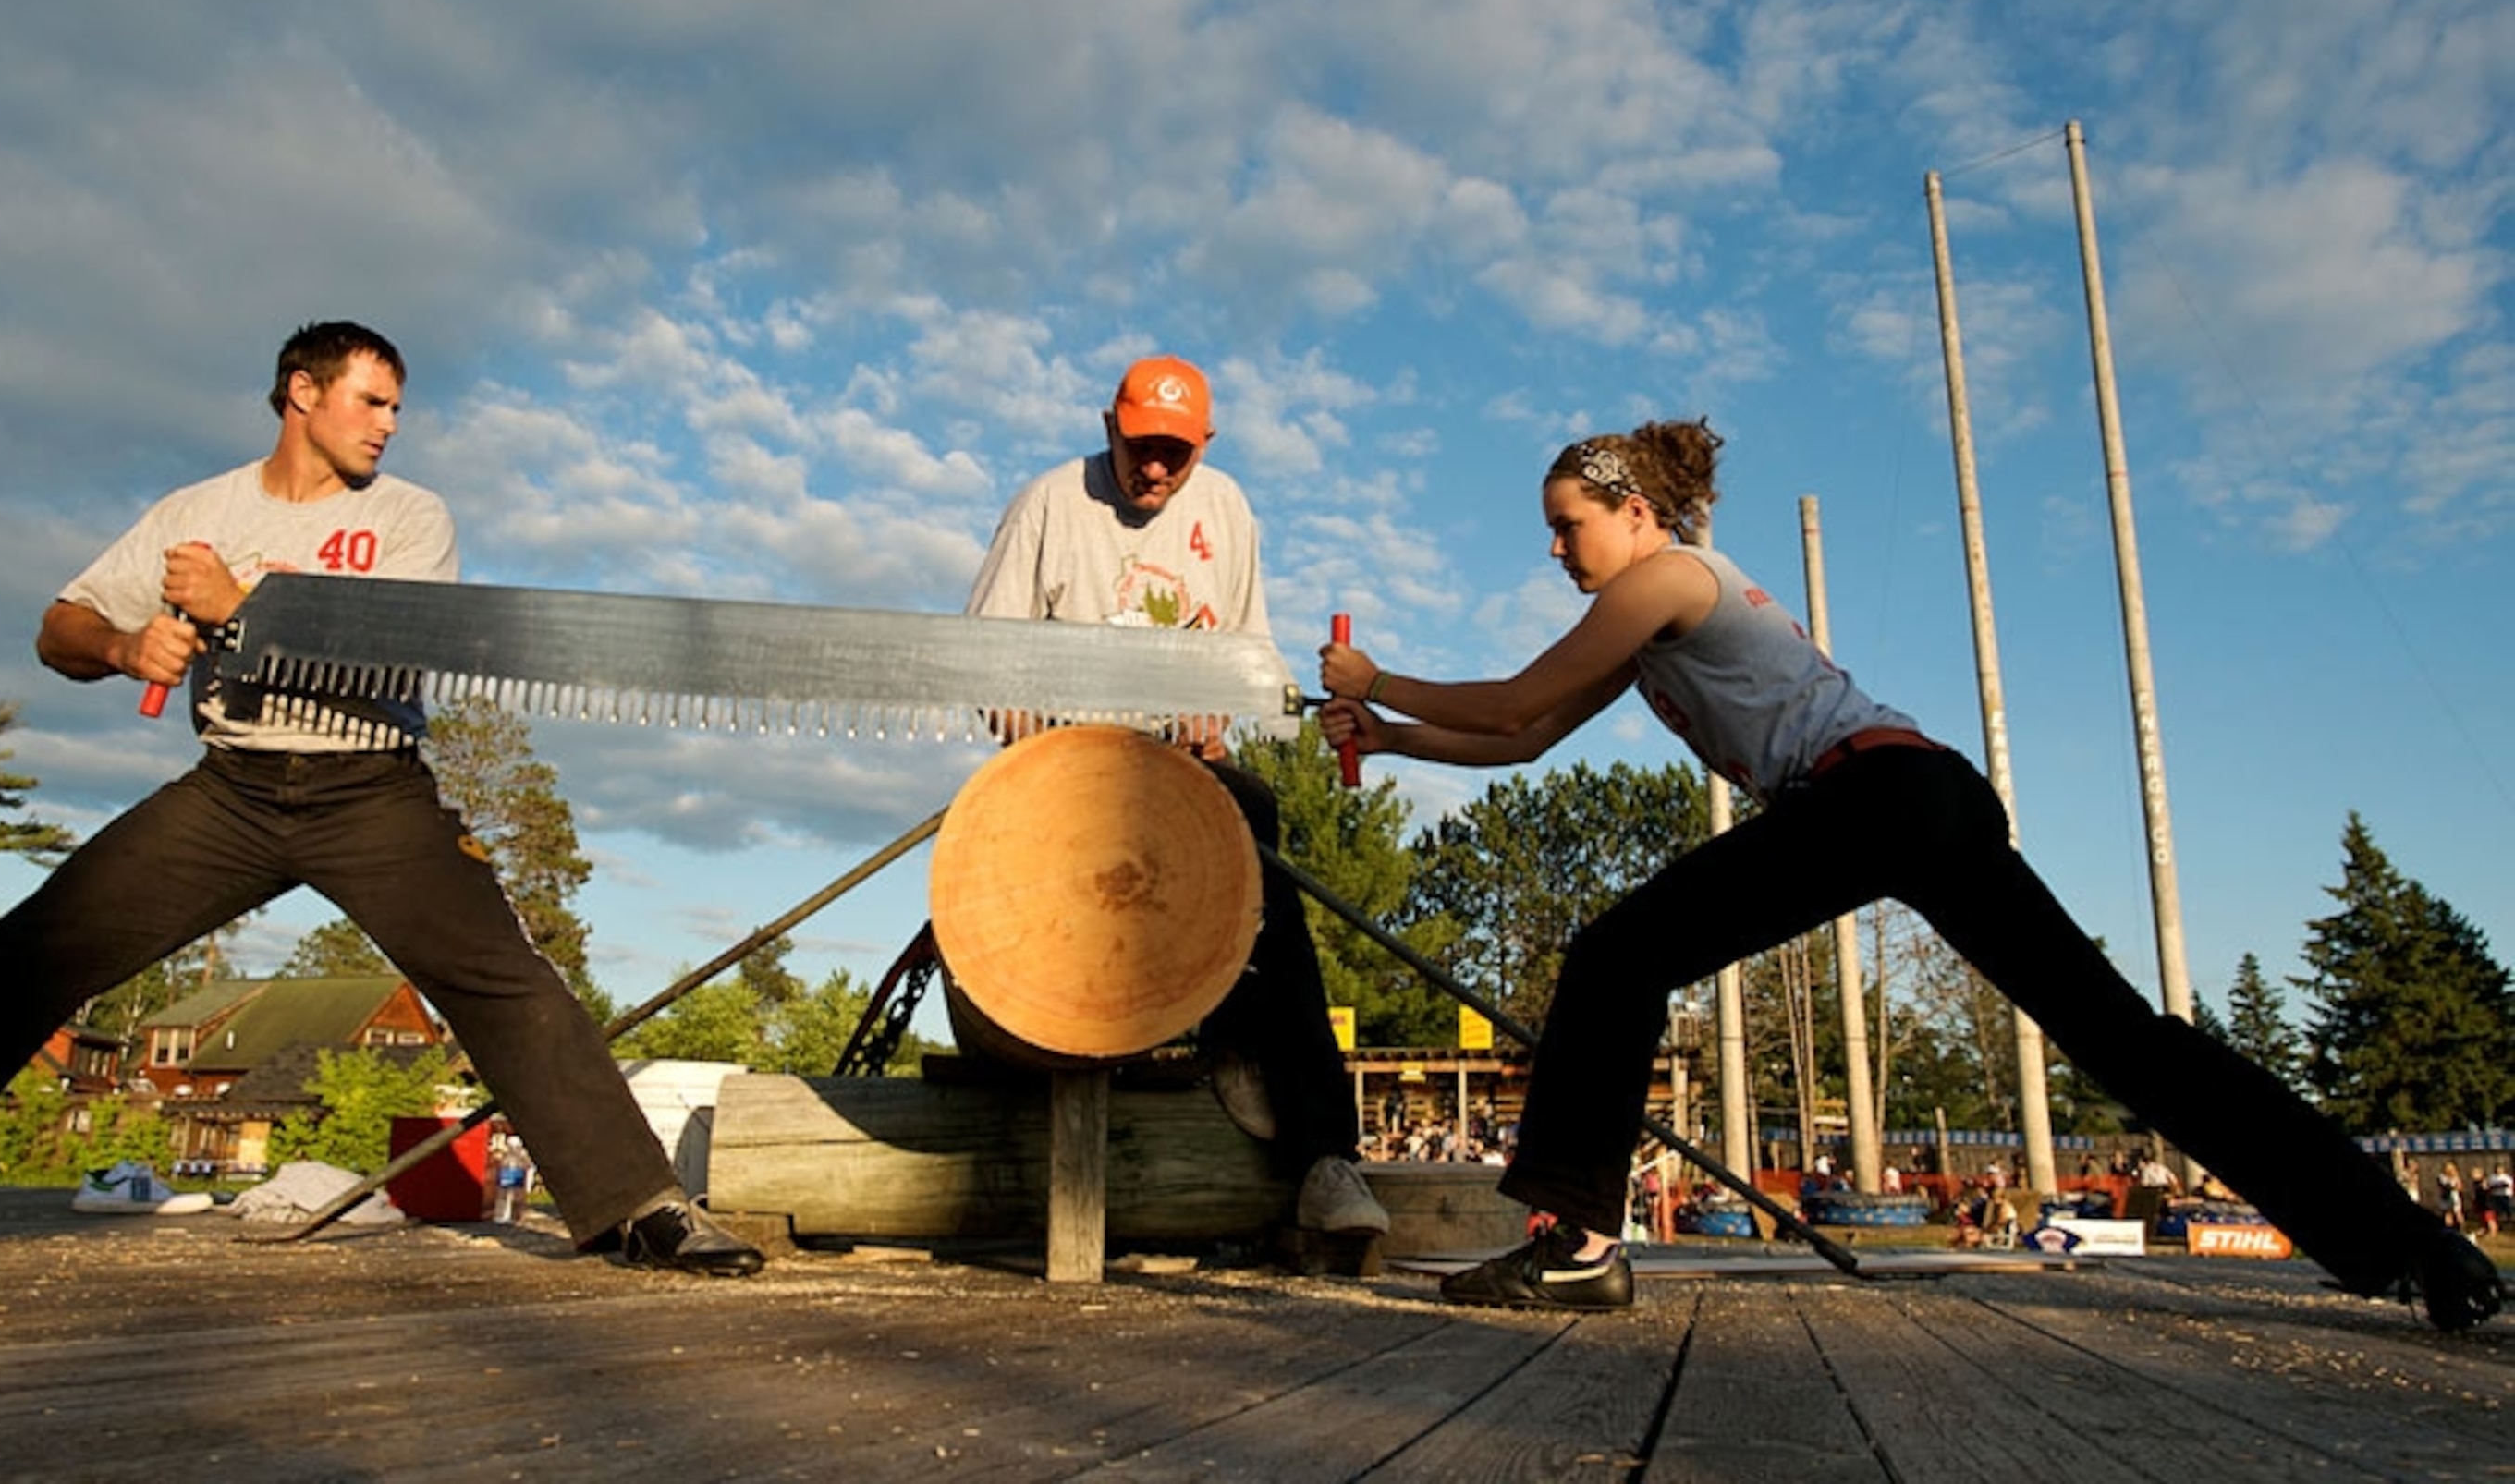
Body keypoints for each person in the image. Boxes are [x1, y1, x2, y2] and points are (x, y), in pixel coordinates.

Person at [1316, 419, 2501, 1330]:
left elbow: (1517, 696)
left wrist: (1378, 679)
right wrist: (1387, 735)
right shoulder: (1650, 627)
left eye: (1567, 523)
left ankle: (1577, 1246)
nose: (1556, 547)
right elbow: (1525, 738)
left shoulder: (1670, 577)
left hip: (1876, 793)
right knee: (2126, 1037)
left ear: (1632, 511)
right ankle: (2411, 1251)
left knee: (1621, 954)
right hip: (1916, 796)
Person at [0, 322, 761, 1277]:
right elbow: (59, 626)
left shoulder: (409, 516)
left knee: (507, 980)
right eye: (370, 400)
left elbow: (388, 652)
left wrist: (242, 605)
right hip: (233, 790)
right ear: (302, 391)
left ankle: (642, 1208)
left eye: (396, 407)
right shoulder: (195, 510)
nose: (388, 424)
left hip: (370, 789)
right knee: (21, 957)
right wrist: (123, 642)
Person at [960, 354, 1388, 1241]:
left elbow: (1247, 658)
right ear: (1108, 427)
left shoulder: (1226, 509)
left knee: (1254, 824)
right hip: (1068, 770)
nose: (1156, 470)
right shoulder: (1047, 504)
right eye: (1142, 449)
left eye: (1176, 455)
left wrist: (1218, 702)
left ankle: (1321, 1155)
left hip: (1179, 770)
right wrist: (1023, 704)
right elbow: (981, 661)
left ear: (1206, 447)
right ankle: (1211, 1035)